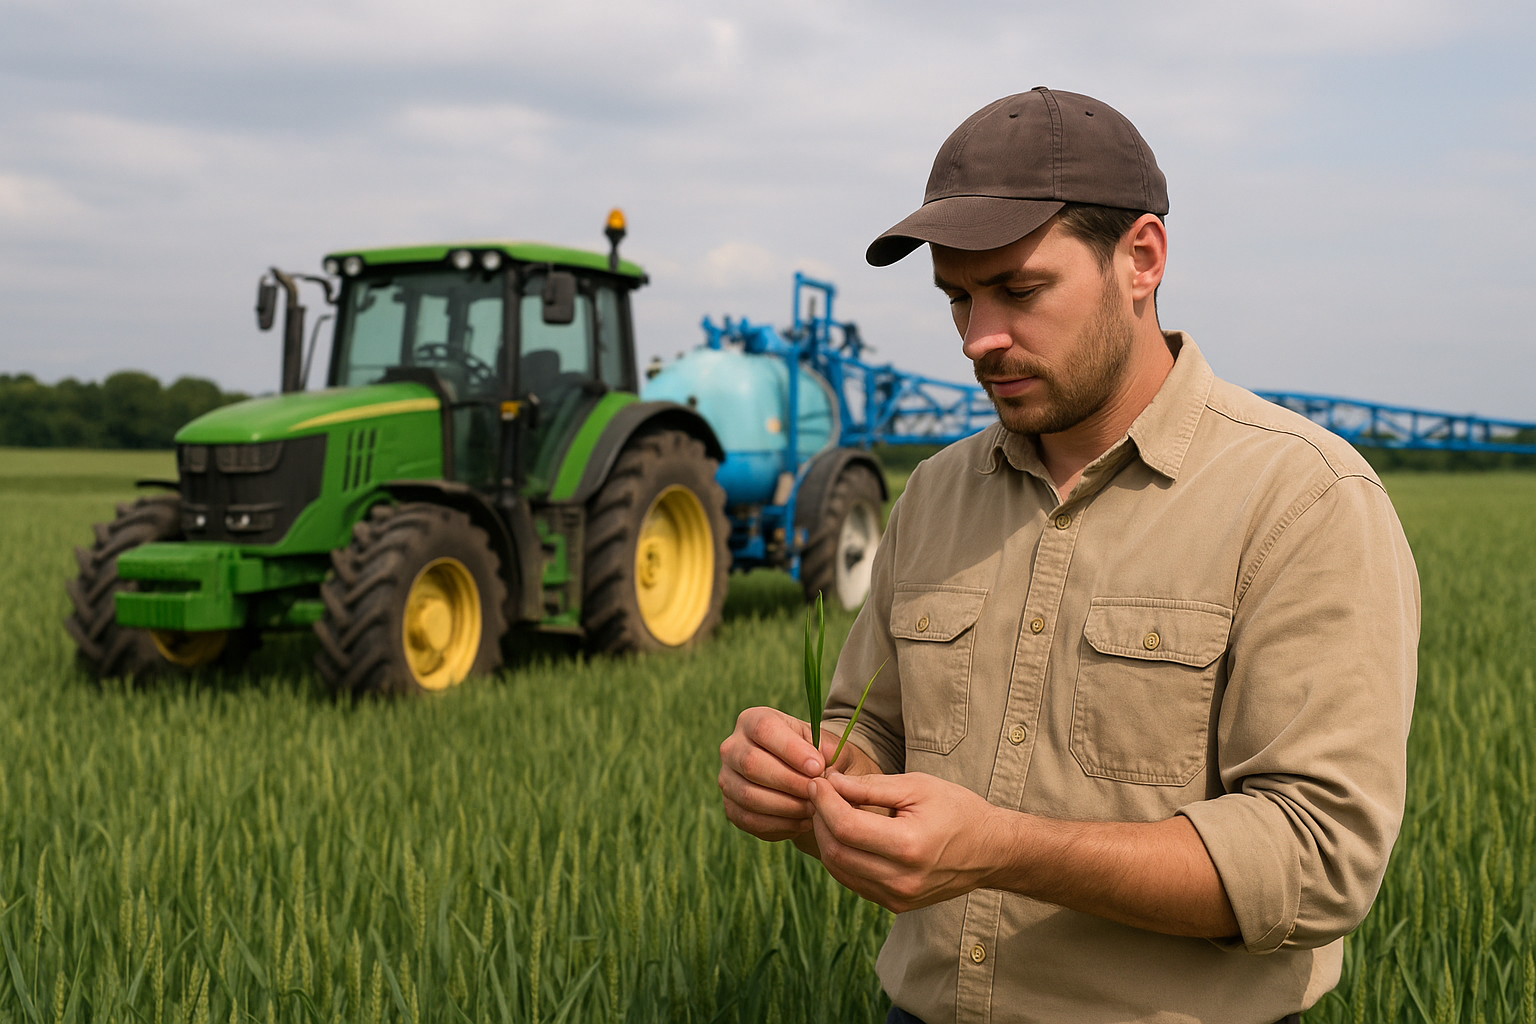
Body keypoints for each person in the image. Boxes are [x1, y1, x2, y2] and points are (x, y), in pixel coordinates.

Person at [717, 87, 1419, 1024]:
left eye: (1020, 289)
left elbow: (1318, 858)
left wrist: (1004, 847)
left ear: (1142, 258)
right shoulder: (934, 494)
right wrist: (807, 783)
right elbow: (871, 732)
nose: (979, 339)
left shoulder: (1303, 500)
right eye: (958, 299)